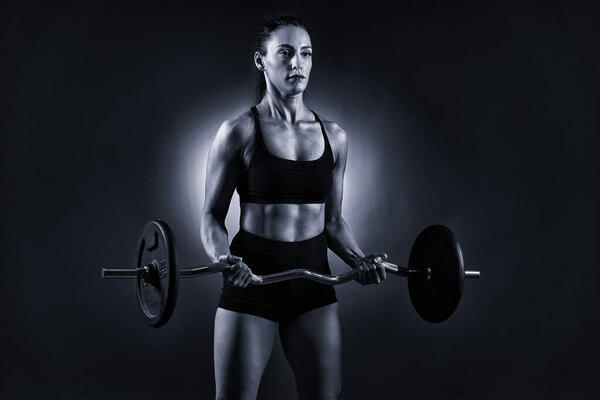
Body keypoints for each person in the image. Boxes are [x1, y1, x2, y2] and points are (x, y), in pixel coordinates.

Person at [200, 15, 387, 400]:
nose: (297, 64)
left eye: (306, 54)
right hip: (252, 280)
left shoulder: (335, 136)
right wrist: (224, 259)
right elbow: (211, 217)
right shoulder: (238, 131)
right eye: (285, 53)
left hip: (313, 282)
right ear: (261, 61)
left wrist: (360, 261)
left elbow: (333, 221)